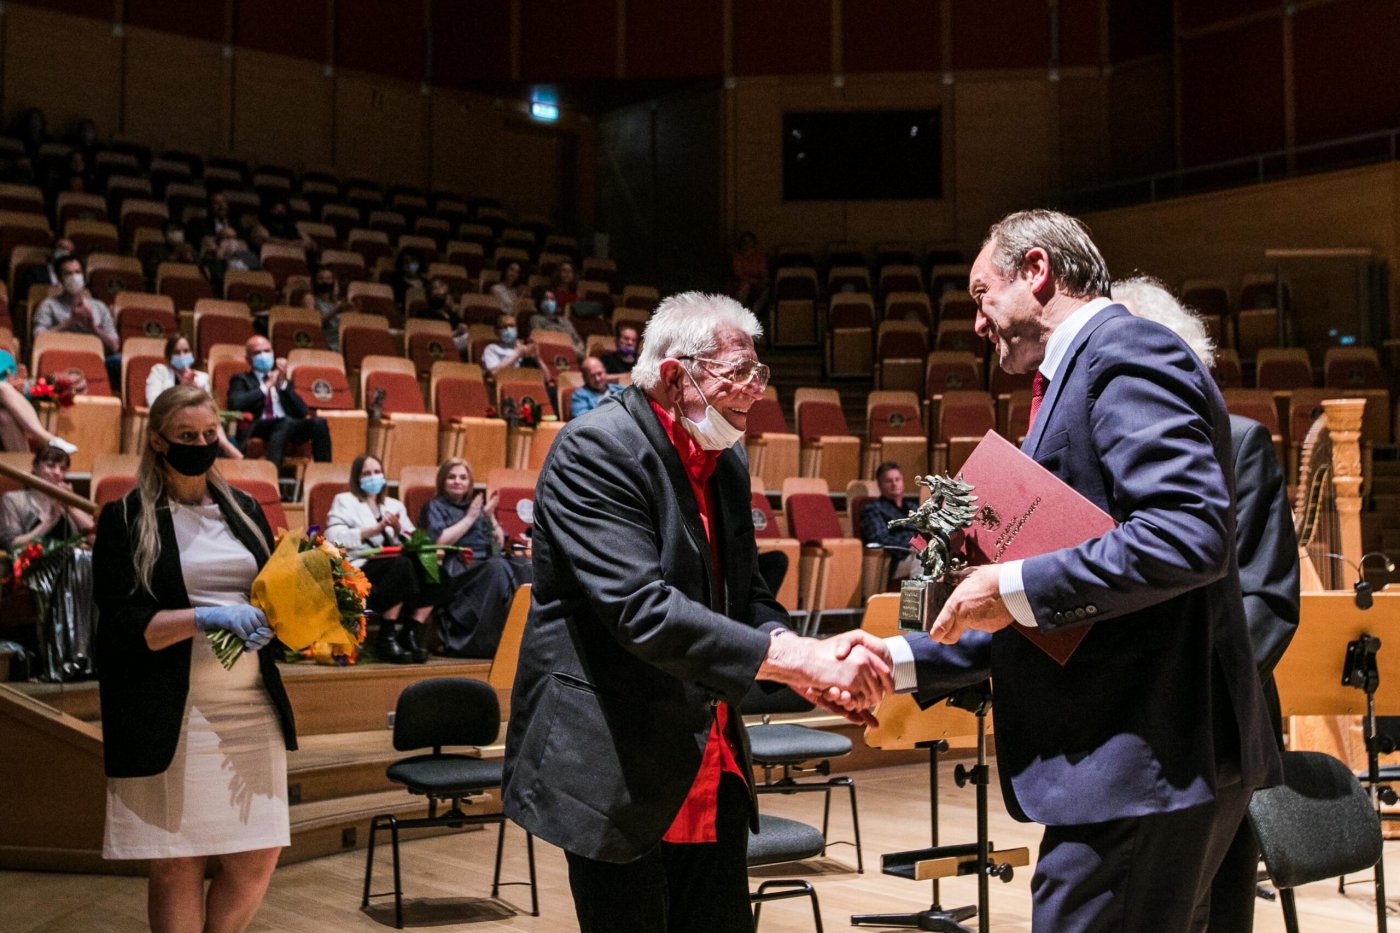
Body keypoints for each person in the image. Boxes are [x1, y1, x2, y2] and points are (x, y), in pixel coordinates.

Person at [875, 211, 1281, 932]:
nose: (977, 322)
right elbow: (1057, 603)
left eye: (981, 294)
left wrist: (1007, 583)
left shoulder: (1125, 350)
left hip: (1143, 753)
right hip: (1132, 762)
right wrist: (901, 657)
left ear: (1037, 270)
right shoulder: (1080, 372)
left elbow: (1188, 533)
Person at [503, 291, 895, 933]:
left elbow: (748, 598)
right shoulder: (594, 450)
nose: (754, 390)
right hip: (616, 766)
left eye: (757, 372)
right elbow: (642, 610)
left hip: (708, 761)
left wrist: (812, 669)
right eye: (736, 372)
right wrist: (798, 661)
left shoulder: (726, 459)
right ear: (673, 373)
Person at [1114, 274, 1301, 931]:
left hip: (1219, 719)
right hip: (1135, 730)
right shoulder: (1113, 453)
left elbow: (1268, 599)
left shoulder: (1241, 441)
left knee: (1217, 913)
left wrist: (1184, 679)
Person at [92, 385, 296, 932]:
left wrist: (271, 625)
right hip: (174, 713)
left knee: (259, 854)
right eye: (187, 437)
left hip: (250, 707)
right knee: (178, 862)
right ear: (158, 442)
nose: (201, 445)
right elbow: (120, 628)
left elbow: (271, 592)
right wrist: (206, 618)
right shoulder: (126, 518)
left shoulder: (246, 510)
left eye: (210, 435)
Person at [324, 455, 437, 664]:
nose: (373, 477)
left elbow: (412, 538)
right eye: (367, 474)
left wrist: (398, 530)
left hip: (392, 561)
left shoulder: (394, 505)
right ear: (357, 478)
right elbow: (333, 537)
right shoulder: (345, 501)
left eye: (377, 472)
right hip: (360, 564)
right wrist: (373, 530)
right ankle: (387, 635)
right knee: (402, 567)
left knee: (434, 570)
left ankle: (410, 632)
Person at [418, 458, 532, 658]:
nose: (457, 481)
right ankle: (485, 642)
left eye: (463, 477)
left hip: (487, 560)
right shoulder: (435, 506)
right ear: (442, 480)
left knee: (527, 566)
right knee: (496, 568)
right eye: (452, 477)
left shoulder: (476, 506)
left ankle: (523, 639)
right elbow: (439, 540)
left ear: (470, 483)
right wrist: (470, 518)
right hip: (459, 564)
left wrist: (489, 517)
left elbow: (499, 541)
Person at [226, 335, 331, 472]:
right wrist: (267, 386)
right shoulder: (241, 379)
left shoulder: (282, 380)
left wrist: (282, 384)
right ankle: (272, 475)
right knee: (284, 422)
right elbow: (235, 403)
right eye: (257, 353)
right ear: (248, 359)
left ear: (273, 353)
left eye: (267, 351)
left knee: (319, 423)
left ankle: (324, 474)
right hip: (259, 425)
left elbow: (302, 410)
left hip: (288, 425)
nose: (263, 355)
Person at [31, 253, 122, 390]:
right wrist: (69, 322)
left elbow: (115, 346)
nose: (74, 277)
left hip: (95, 361)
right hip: (60, 361)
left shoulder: (99, 307)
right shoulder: (48, 305)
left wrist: (93, 327)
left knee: (120, 360)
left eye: (77, 272)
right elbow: (38, 338)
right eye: (68, 274)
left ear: (83, 276)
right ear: (60, 279)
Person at [145, 336, 243, 461]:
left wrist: (197, 392)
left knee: (225, 437)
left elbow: (209, 411)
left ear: (192, 353)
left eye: (186, 351)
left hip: (199, 426)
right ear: (169, 355)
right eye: (176, 352)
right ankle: (227, 447)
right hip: (170, 425)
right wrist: (182, 388)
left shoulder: (201, 377)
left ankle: (226, 446)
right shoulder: (159, 371)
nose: (182, 355)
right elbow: (154, 405)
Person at [0, 445, 95, 550]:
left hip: (68, 563)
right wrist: (49, 522)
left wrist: (72, 507)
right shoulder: (13, 500)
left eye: (62, 469)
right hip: (31, 564)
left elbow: (96, 540)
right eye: (51, 466)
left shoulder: (71, 503)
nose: (57, 473)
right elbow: (11, 545)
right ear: (35, 467)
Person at [0, 350, 79, 455]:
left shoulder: (4, 357)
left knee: (4, 417)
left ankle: (24, 465)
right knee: (3, 387)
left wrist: (21, 388)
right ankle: (47, 439)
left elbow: (20, 394)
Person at [857, 461, 920, 587]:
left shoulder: (913, 507)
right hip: (892, 560)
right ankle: (919, 604)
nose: (894, 484)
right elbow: (880, 539)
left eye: (897, 479)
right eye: (888, 481)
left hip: (916, 552)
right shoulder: (873, 509)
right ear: (880, 485)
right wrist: (912, 544)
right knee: (924, 559)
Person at [301, 266, 352, 351]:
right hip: (321, 341)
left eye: (328, 279)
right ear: (314, 281)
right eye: (321, 279)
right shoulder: (309, 298)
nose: (325, 282)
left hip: (340, 342)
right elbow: (313, 322)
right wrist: (335, 311)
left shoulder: (336, 302)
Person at [527, 289, 585, 355]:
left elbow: (577, 339)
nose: (550, 302)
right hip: (554, 350)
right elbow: (538, 339)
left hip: (575, 351)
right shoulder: (536, 318)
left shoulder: (565, 320)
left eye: (552, 299)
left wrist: (580, 344)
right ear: (540, 302)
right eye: (546, 299)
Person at [729, 232, 770, 316]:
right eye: (744, 242)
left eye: (749, 241)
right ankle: (738, 312)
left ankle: (754, 313)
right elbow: (738, 273)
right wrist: (751, 281)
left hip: (757, 281)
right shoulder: (737, 256)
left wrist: (763, 280)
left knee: (766, 290)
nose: (747, 244)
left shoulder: (759, 255)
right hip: (742, 282)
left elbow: (763, 270)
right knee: (745, 287)